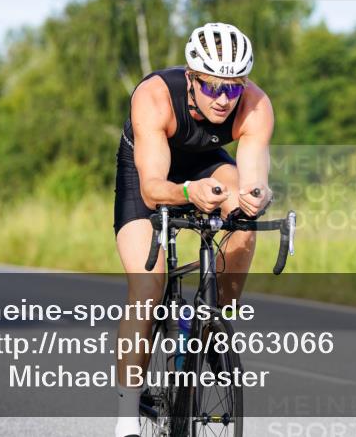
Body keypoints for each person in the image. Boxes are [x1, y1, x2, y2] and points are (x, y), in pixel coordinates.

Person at [112, 22, 274, 437]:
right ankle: (126, 415)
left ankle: (208, 326)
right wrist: (188, 191)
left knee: (245, 220)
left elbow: (252, 178)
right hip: (149, 171)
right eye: (213, 87)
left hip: (205, 161)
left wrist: (254, 197)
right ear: (192, 79)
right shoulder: (154, 97)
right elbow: (153, 189)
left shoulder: (256, 105)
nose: (224, 99)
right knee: (148, 286)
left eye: (233, 87)